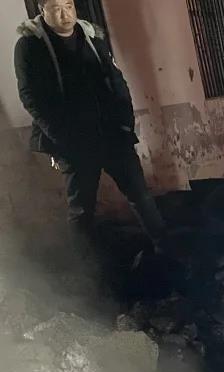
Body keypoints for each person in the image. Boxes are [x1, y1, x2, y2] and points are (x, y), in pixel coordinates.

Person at [15, 0, 165, 251]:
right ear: (42, 10)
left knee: (141, 195)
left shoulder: (91, 37)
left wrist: (125, 125)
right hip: (74, 141)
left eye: (69, 5)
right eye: (56, 8)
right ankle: (87, 267)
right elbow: (31, 97)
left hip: (112, 134)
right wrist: (61, 138)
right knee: (82, 210)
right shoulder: (30, 45)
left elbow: (117, 82)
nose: (65, 14)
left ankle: (165, 248)